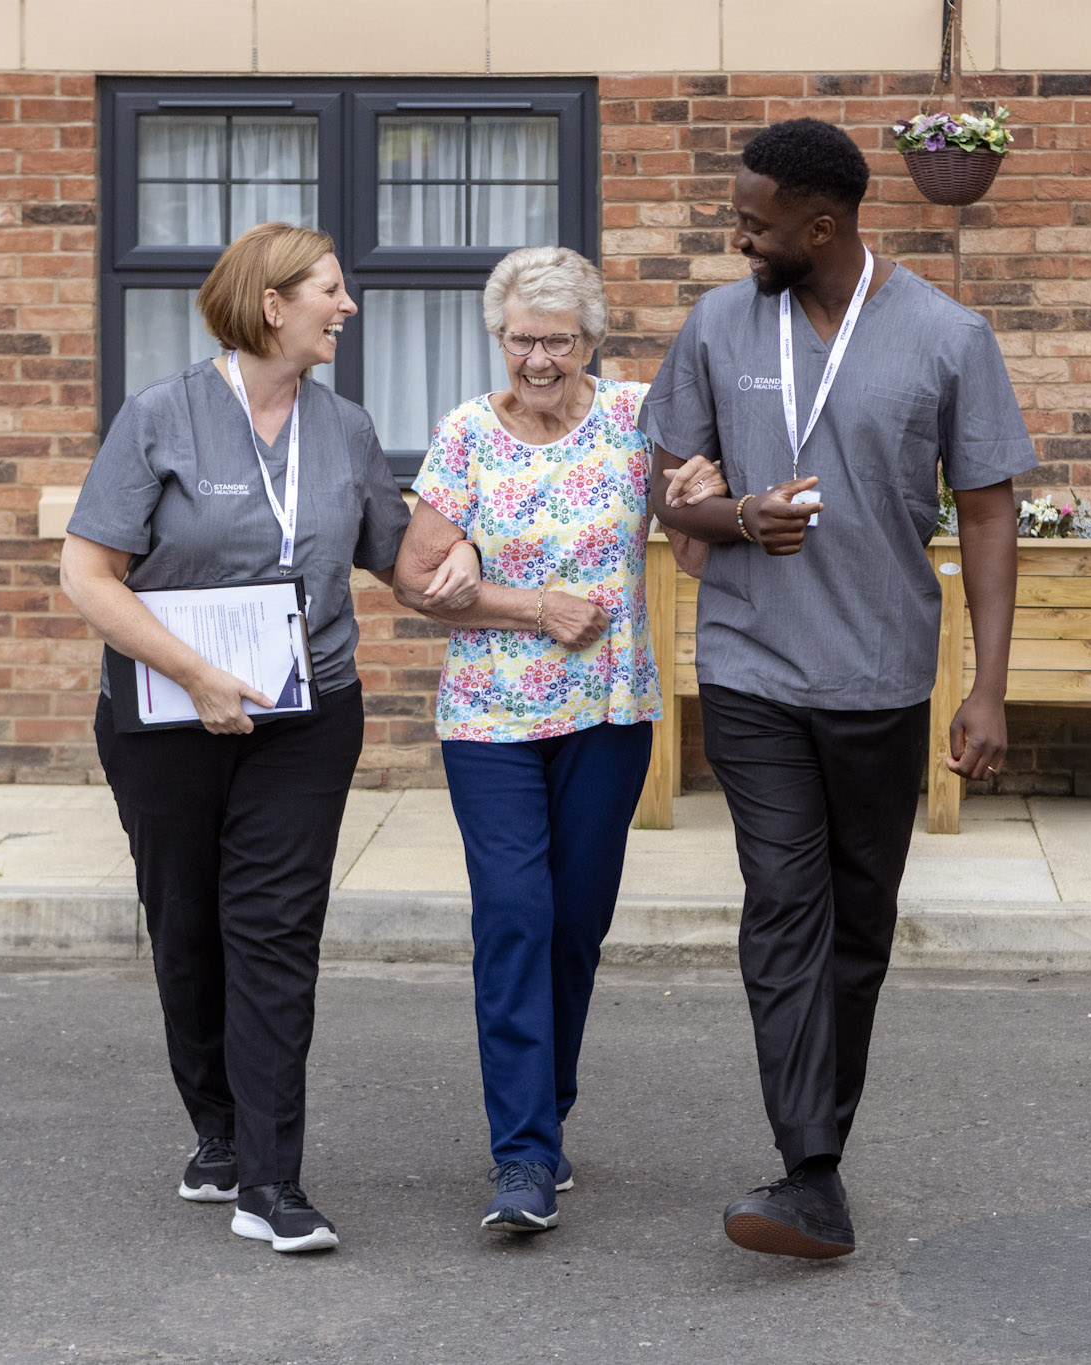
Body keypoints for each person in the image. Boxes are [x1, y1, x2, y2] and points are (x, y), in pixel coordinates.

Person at [642, 119, 1034, 1259]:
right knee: (782, 906)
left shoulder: (946, 337)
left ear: (821, 226)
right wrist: (726, 515)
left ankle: (818, 1159)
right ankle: (806, 1171)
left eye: (753, 221)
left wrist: (988, 688)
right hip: (752, 664)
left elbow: (988, 510)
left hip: (879, 671)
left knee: (856, 925)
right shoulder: (719, 323)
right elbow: (667, 489)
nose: (736, 234)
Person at [60, 223, 436, 1255]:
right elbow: (88, 574)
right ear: (273, 304)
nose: (346, 308)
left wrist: (479, 548)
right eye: (330, 289)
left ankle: (271, 1181)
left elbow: (399, 557)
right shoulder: (161, 419)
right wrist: (192, 672)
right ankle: (217, 1131)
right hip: (170, 718)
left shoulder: (346, 430)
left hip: (304, 716)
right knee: (188, 927)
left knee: (273, 932)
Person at [393, 245, 725, 1234]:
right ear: (499, 338)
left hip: (610, 715)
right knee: (512, 921)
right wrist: (524, 603)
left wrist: (701, 493)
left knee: (573, 928)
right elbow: (417, 581)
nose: (538, 358)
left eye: (558, 340)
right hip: (492, 721)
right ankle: (522, 1157)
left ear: (591, 340)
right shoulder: (465, 436)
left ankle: (549, 1110)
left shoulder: (633, 420)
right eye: (521, 339)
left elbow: (700, 551)